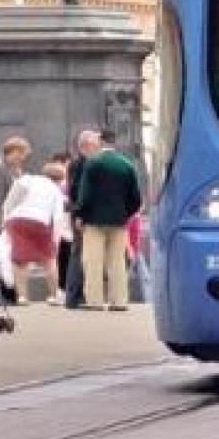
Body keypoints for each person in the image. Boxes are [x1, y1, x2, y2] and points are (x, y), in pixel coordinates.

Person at [71, 128, 143, 311]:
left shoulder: (93, 163)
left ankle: (94, 301)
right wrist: (125, 214)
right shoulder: (127, 165)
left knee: (93, 261)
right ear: (114, 142)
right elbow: (136, 198)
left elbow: (84, 193)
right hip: (118, 220)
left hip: (94, 220)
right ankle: (119, 301)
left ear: (101, 142)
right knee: (117, 261)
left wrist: (79, 213)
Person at [0, 154, 63, 304]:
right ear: (59, 180)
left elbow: (9, 201)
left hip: (16, 220)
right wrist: (55, 244)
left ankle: (22, 296)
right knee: (49, 259)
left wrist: (5, 221)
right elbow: (57, 219)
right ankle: (55, 295)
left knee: (19, 259)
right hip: (39, 221)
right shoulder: (56, 191)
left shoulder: (26, 179)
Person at [63, 127, 102, 309]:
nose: (99, 147)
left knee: (81, 253)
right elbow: (76, 190)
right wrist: (80, 214)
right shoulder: (82, 164)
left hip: (80, 212)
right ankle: (74, 295)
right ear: (86, 146)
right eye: (96, 144)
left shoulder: (78, 163)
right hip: (82, 214)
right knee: (79, 254)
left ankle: (76, 295)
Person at [0, 136, 29, 240]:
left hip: (13, 219)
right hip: (0, 222)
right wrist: (0, 222)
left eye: (24, 154)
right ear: (12, 151)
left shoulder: (17, 169)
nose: (23, 157)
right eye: (21, 153)